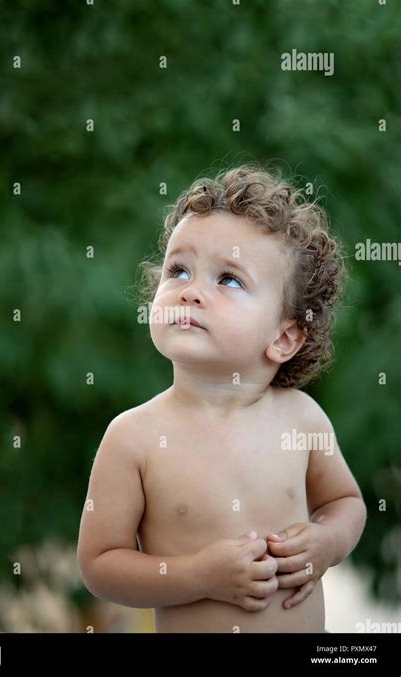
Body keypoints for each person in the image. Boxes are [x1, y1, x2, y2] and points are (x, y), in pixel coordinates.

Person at [77, 164, 367, 633]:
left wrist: (327, 544)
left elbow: (346, 502)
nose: (190, 292)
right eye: (179, 270)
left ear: (284, 337)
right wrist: (197, 577)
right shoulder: (134, 438)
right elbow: (99, 564)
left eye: (228, 279)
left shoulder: (302, 420)